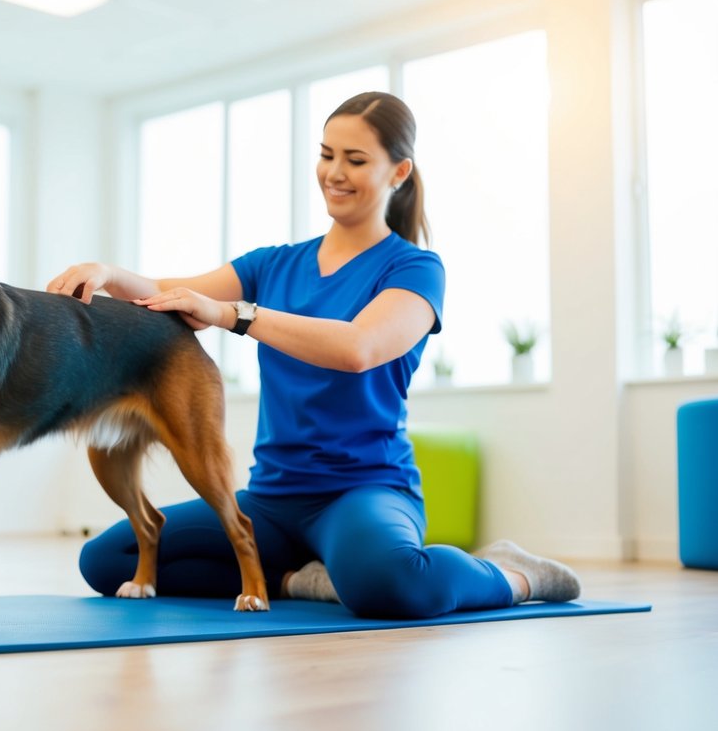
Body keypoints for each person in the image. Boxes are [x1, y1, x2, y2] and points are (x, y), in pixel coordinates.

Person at [46, 91, 581, 618]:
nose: (334, 172)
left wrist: (237, 315)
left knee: (390, 582)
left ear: (399, 173)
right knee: (108, 559)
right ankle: (298, 580)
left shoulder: (415, 269)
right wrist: (108, 274)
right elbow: (169, 291)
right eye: (326, 155)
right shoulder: (274, 263)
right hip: (273, 499)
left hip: (364, 492)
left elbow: (358, 347)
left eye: (355, 159)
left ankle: (515, 573)